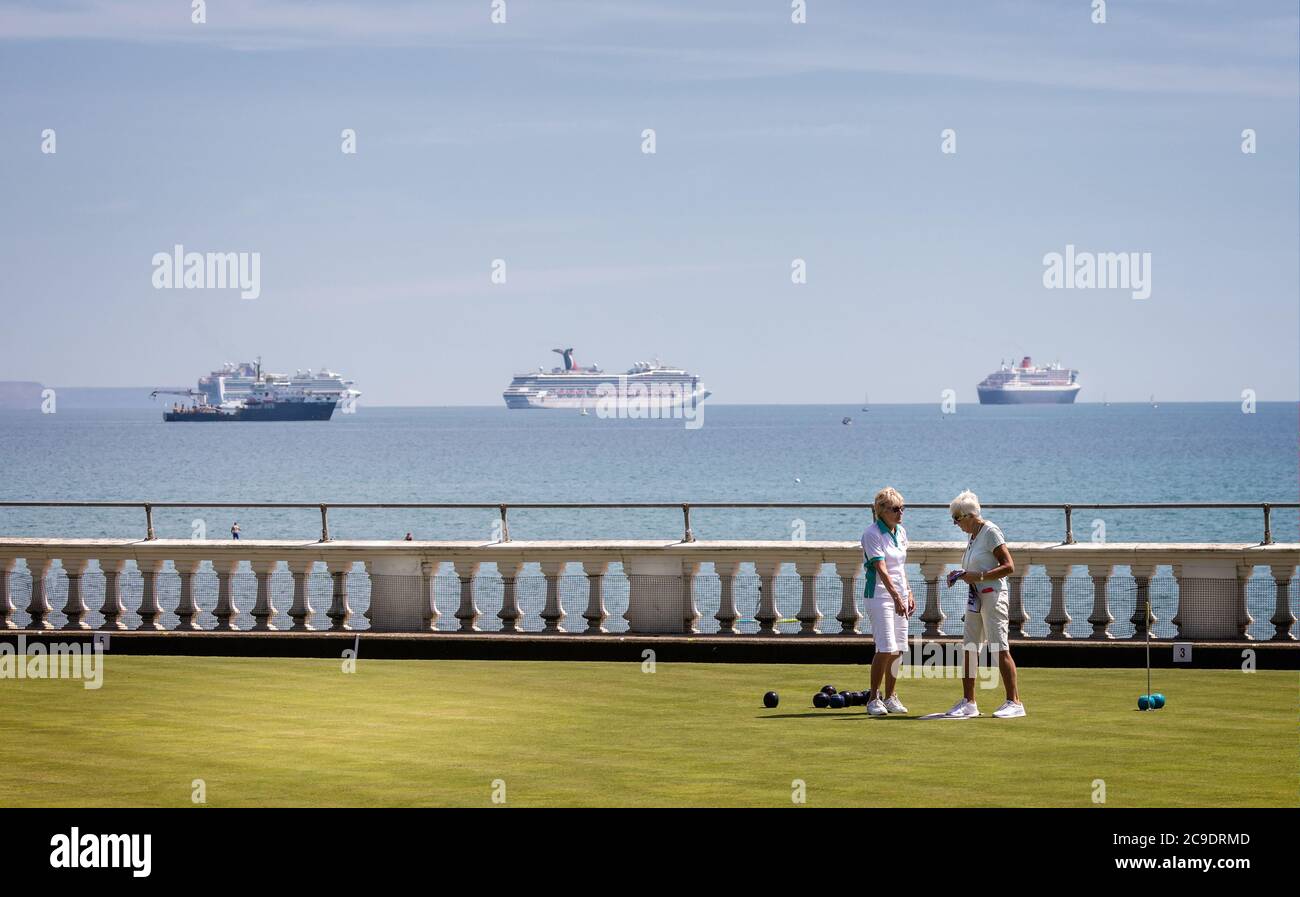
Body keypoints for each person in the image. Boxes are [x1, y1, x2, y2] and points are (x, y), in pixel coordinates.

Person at [942, 490, 1025, 719]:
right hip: (975, 598)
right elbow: (976, 567)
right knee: (969, 647)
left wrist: (978, 576)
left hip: (992, 595)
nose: (955, 524)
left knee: (999, 647)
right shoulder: (973, 535)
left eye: (956, 519)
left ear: (968, 515)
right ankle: (969, 702)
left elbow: (1009, 566)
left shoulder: (990, 531)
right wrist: (961, 574)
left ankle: (1014, 701)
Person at [861, 487, 914, 716]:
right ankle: (874, 698)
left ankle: (891, 697)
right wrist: (895, 597)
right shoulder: (872, 534)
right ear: (881, 511)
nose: (900, 512)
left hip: (899, 594)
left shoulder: (901, 532)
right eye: (895, 509)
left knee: (899, 648)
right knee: (885, 647)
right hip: (879, 595)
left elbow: (899, 568)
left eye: (902, 508)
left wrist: (908, 592)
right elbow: (881, 569)